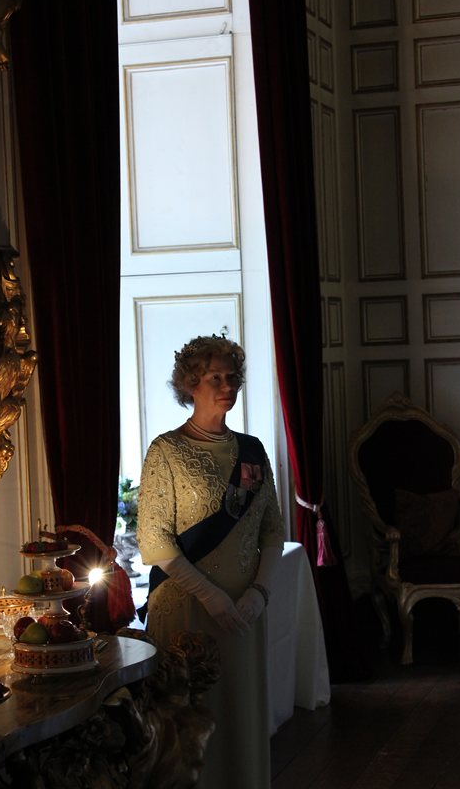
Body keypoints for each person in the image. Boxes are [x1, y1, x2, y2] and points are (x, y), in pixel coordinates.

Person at [136, 334, 285, 789]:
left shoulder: (253, 450)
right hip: (187, 611)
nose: (227, 386)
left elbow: (273, 531)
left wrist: (259, 593)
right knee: (190, 732)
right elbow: (154, 542)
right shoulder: (166, 450)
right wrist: (211, 596)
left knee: (240, 718)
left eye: (232, 377)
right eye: (214, 377)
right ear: (190, 385)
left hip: (244, 613)